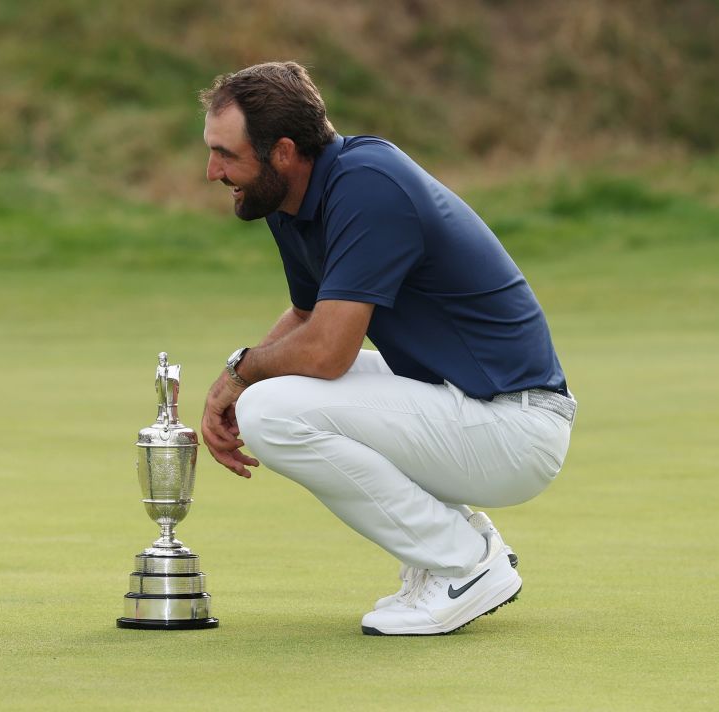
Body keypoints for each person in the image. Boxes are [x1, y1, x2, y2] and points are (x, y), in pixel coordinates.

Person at [198, 62, 576, 636]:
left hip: (516, 426)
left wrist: (242, 371)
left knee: (269, 410)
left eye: (226, 154)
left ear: (282, 152)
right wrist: (236, 379)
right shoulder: (288, 199)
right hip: (464, 406)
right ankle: (452, 549)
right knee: (268, 393)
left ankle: (464, 563)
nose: (211, 171)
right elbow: (306, 314)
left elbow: (328, 352)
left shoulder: (368, 184)